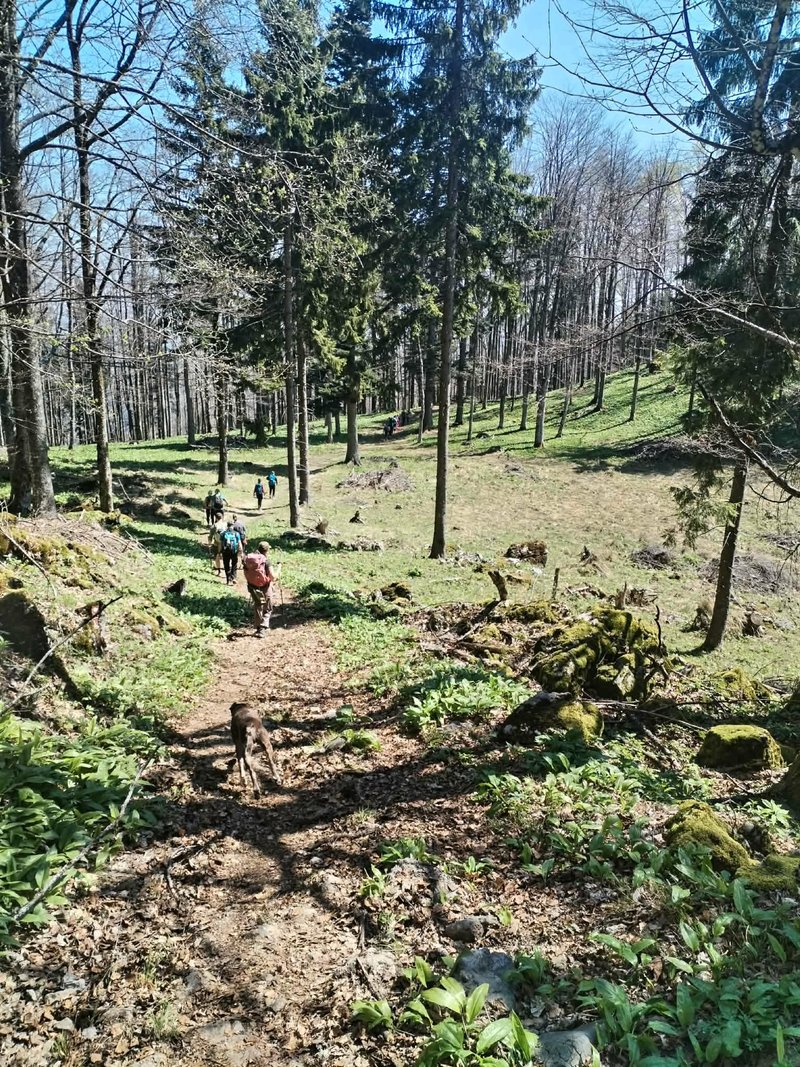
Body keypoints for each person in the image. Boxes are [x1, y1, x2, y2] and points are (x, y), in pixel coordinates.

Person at [242, 540, 280, 636]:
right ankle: (263, 628)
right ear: (267, 550)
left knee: (258, 605)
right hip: (265, 586)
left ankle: (258, 627)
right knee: (268, 607)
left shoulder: (249, 558)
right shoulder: (266, 561)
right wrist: (279, 568)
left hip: (252, 586)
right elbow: (273, 577)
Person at [220, 520, 242, 585]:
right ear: (233, 526)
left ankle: (228, 579)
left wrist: (220, 551)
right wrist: (241, 551)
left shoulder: (223, 533)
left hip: (225, 551)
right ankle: (234, 577)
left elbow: (221, 544)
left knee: (226, 565)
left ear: (227, 525)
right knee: (234, 565)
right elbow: (239, 543)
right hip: (234, 551)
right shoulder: (236, 533)